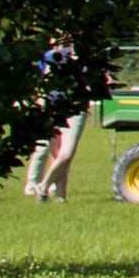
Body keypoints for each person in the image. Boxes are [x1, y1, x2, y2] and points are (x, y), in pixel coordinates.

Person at [22, 37, 85, 202]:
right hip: (55, 108)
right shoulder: (51, 56)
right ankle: (59, 196)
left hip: (76, 107)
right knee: (58, 154)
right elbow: (44, 83)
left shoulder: (84, 55)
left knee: (66, 153)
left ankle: (44, 188)